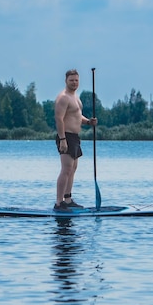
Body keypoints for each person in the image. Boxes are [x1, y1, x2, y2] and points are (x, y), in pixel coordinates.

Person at [53, 69, 97, 211]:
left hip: (75, 137)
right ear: (66, 81)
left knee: (72, 169)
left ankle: (68, 199)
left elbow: (77, 116)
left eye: (76, 80)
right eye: (71, 80)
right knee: (66, 169)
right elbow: (59, 119)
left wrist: (88, 122)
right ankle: (59, 203)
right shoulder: (63, 97)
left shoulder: (75, 97)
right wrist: (63, 139)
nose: (74, 83)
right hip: (66, 136)